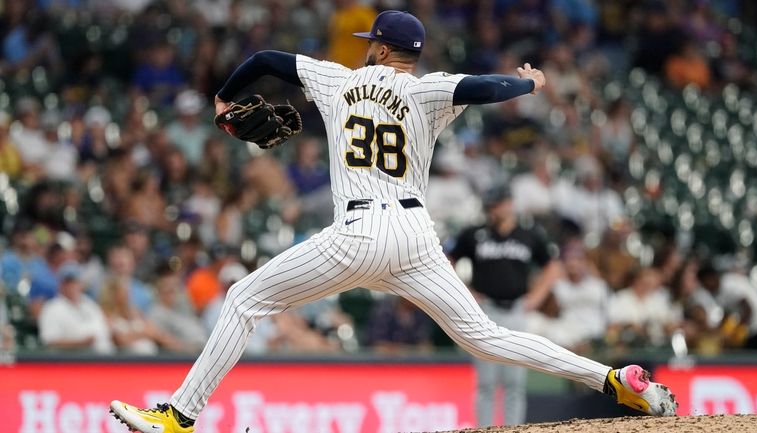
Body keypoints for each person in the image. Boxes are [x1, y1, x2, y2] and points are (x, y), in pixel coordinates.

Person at [109, 11, 676, 433]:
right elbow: (486, 88)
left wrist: (225, 99)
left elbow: (263, 62)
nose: (367, 50)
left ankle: (179, 416)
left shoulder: (337, 80)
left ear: (382, 49)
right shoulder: (427, 89)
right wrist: (529, 83)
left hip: (358, 232)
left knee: (242, 301)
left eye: (371, 43)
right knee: (486, 336)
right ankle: (614, 381)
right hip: (413, 237)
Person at [448, 185, 560, 426]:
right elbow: (447, 262)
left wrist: (536, 297)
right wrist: (466, 292)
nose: (493, 210)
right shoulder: (474, 233)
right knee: (486, 381)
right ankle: (485, 429)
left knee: (514, 381)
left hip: (516, 309)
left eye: (496, 204)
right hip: (484, 309)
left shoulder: (528, 235)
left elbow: (552, 267)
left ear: (508, 204)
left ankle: (514, 429)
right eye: (490, 206)